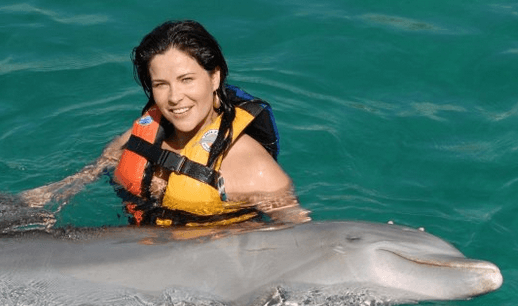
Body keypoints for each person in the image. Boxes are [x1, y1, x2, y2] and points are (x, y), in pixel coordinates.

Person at [21, 20, 309, 226]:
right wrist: (51, 195)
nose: (174, 98)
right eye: (161, 84)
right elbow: (101, 164)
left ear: (214, 77)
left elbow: (299, 235)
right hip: (142, 250)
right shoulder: (142, 134)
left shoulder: (254, 168)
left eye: (187, 80)